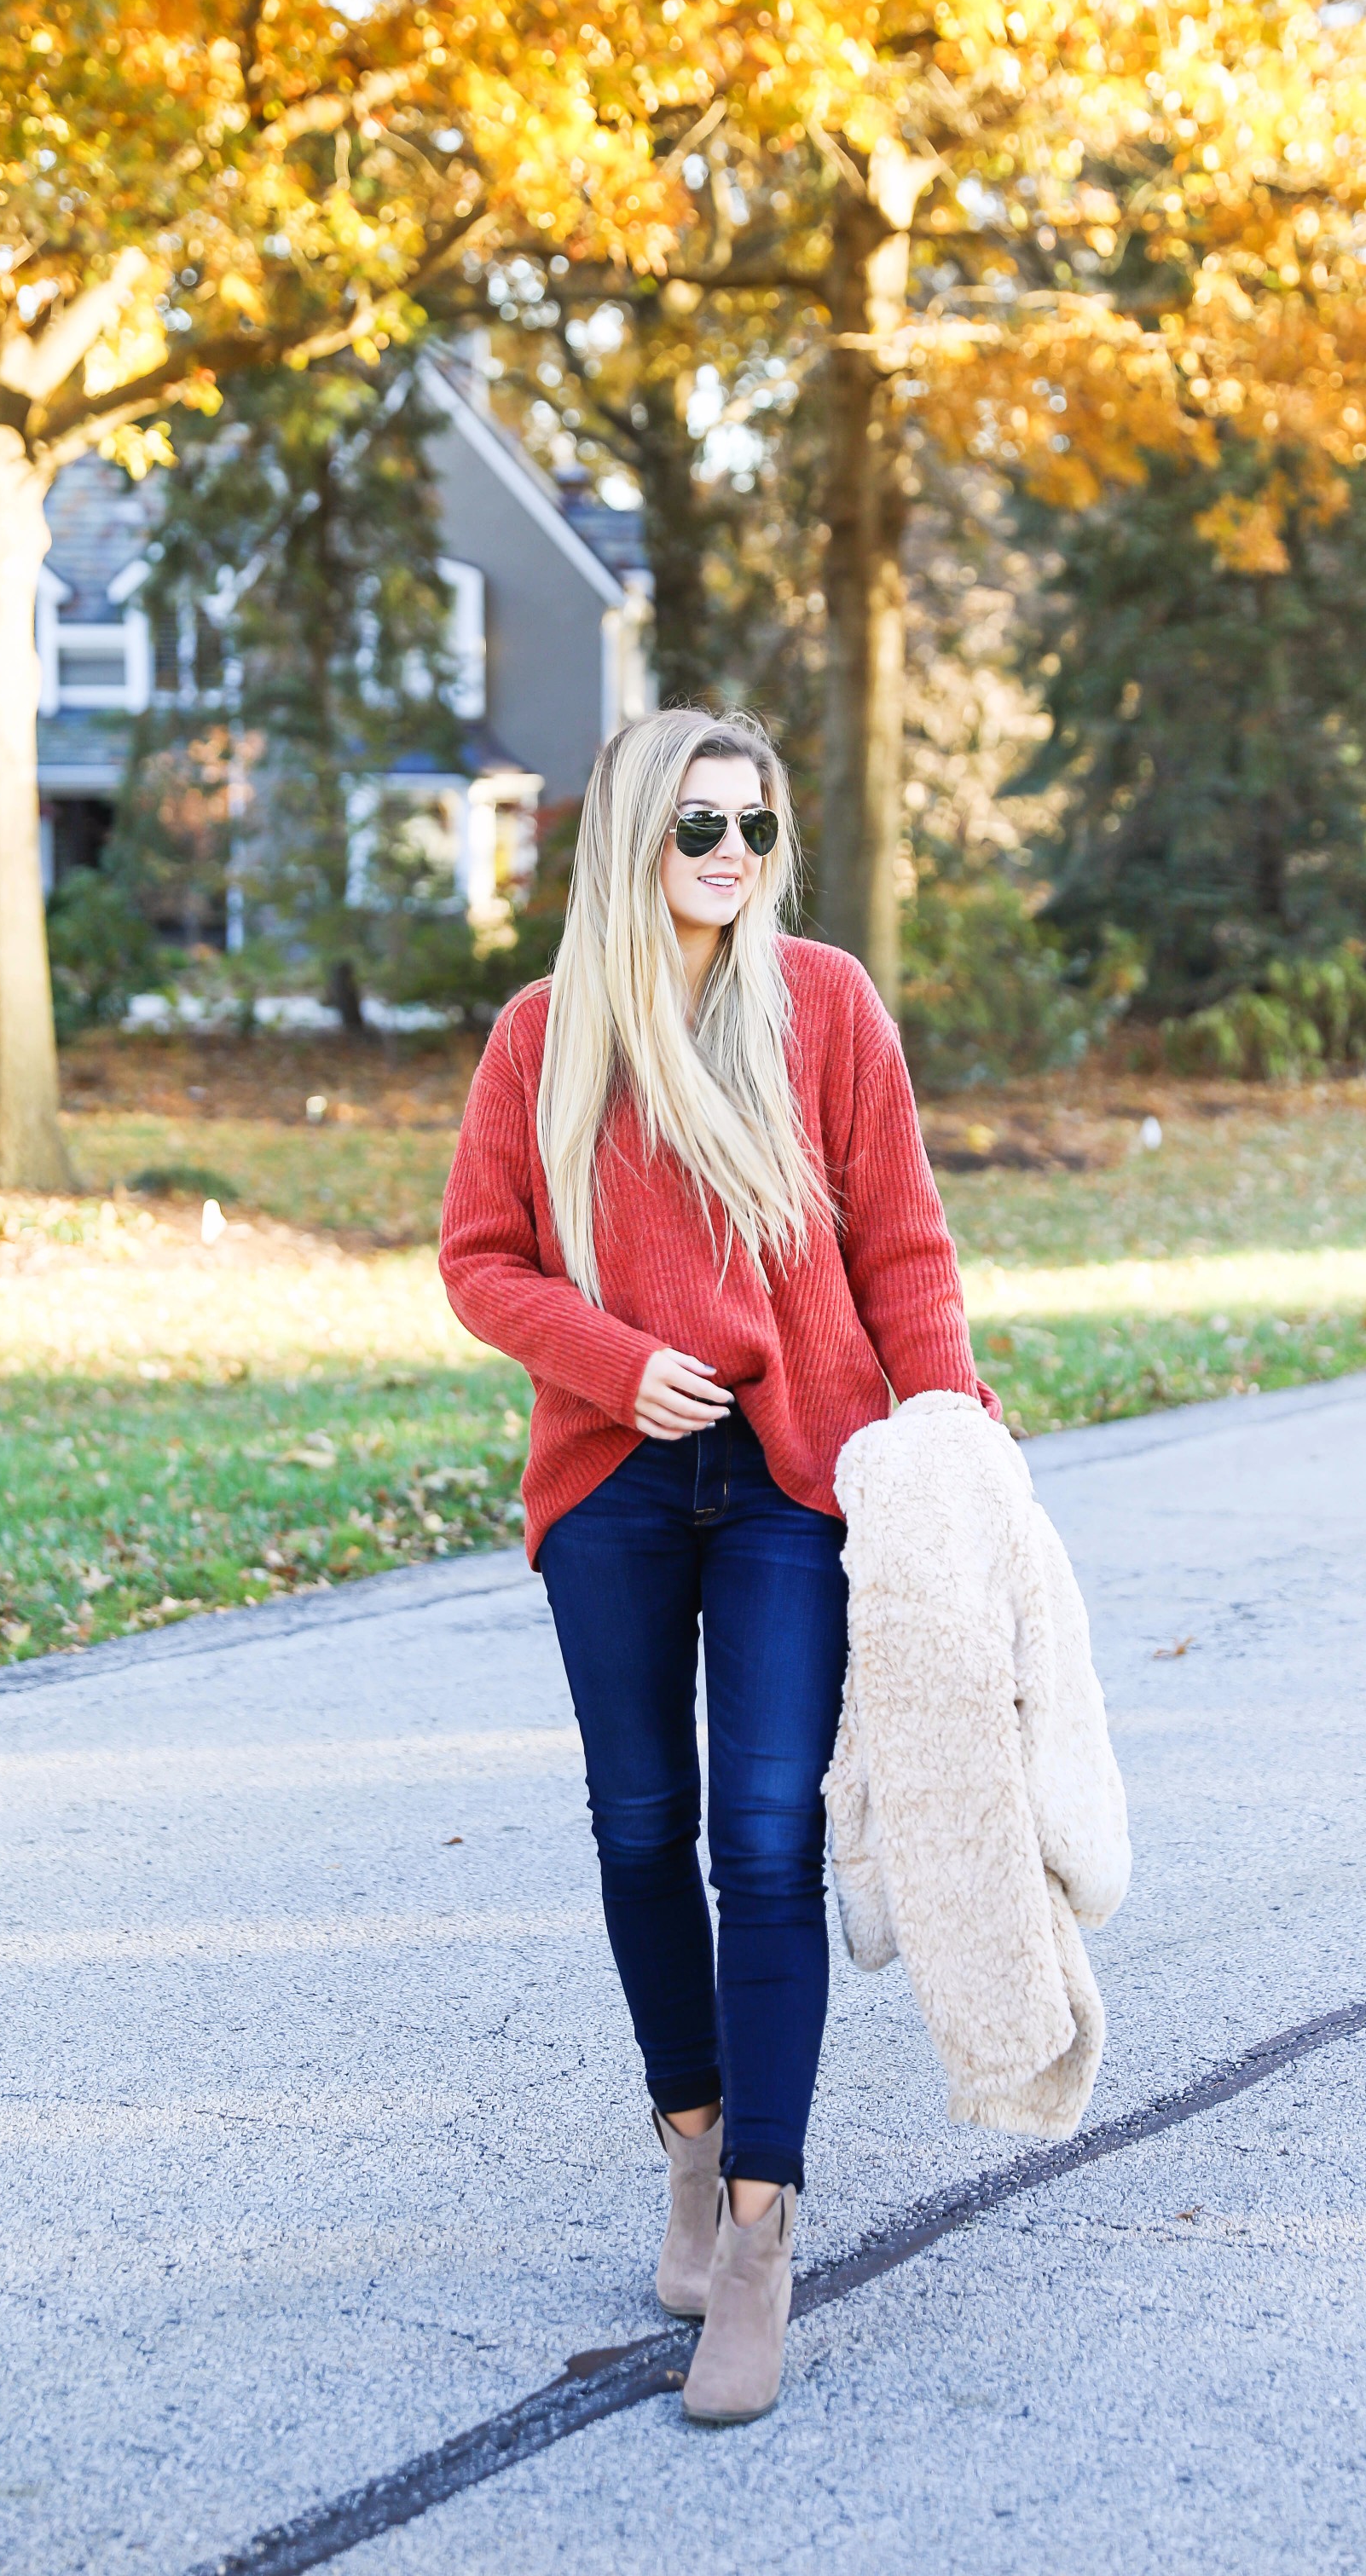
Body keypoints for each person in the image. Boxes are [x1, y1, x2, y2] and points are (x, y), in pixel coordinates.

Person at [438, 706, 998, 2425]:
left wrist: (955, 1423)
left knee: (762, 1839)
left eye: (753, 819)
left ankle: (759, 2232)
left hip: (788, 1484)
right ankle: (687, 2140)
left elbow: (899, 1238)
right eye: (696, 827)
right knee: (633, 1824)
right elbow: (478, 1261)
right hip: (610, 1483)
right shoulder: (546, 1036)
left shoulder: (821, 1006)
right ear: (630, 841)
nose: (731, 854)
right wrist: (614, 1362)